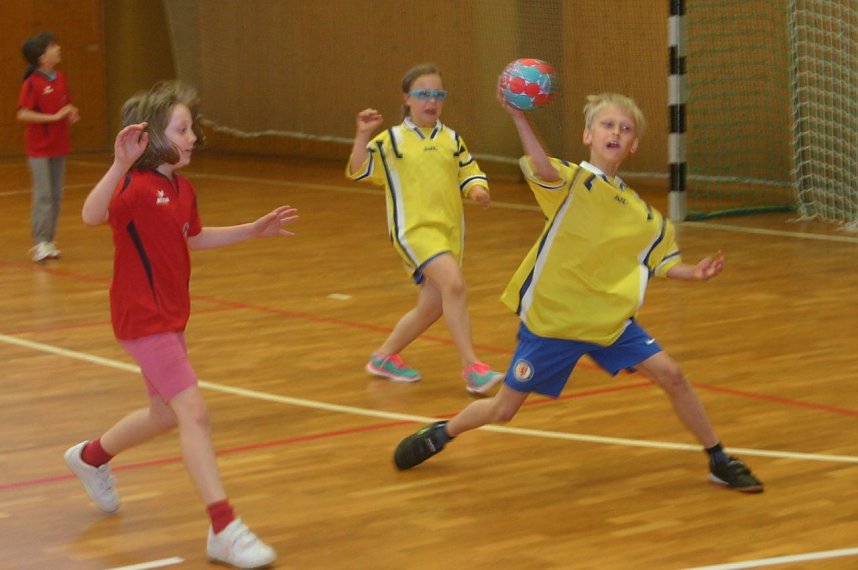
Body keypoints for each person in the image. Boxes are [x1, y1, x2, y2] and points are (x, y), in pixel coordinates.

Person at [393, 89, 764, 493]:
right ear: (589, 135)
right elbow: (544, 169)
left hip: (609, 322)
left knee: (672, 375)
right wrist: (521, 119)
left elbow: (662, 262)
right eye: (608, 125)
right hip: (554, 322)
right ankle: (443, 433)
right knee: (503, 410)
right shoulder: (571, 182)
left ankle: (718, 457)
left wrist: (696, 272)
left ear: (634, 144)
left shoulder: (646, 217)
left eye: (625, 129)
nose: (616, 133)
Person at [64, 80, 298, 568]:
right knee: (194, 413)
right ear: (150, 135)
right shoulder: (132, 185)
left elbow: (194, 238)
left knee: (165, 414)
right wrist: (119, 164)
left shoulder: (181, 188)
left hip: (170, 317)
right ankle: (223, 527)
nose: (193, 137)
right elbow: (90, 214)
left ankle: (90, 457)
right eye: (182, 129)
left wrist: (252, 231)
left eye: (192, 128)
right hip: (143, 318)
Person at [346, 63, 504, 395]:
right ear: (407, 99)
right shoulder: (392, 140)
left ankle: (383, 356)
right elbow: (360, 170)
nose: (430, 101)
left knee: (432, 306)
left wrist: (476, 189)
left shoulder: (451, 139)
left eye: (437, 94)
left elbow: (467, 171)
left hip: (448, 234)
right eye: (422, 94)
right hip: (414, 232)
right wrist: (362, 135)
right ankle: (472, 367)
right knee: (455, 285)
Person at [17, 32, 79, 262]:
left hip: (59, 146)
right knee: (43, 195)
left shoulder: (60, 77)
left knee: (55, 195)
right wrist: (54, 118)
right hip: (39, 148)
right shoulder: (32, 82)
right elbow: (23, 113)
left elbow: (66, 103)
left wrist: (71, 112)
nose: (58, 48)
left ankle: (49, 240)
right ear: (43, 57)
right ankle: (41, 241)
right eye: (54, 46)